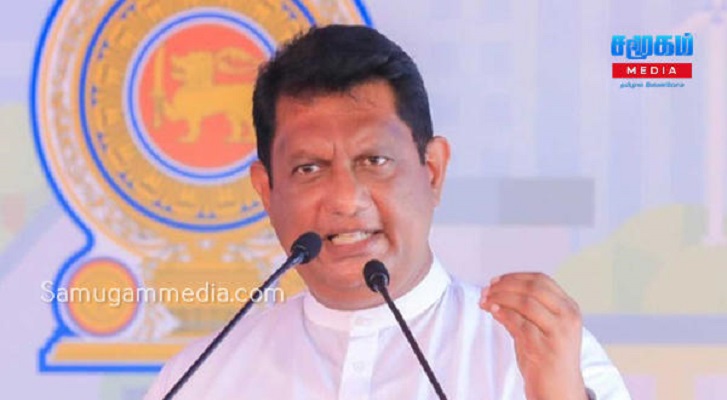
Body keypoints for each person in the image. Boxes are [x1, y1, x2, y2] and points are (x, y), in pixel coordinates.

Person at [145, 25, 630, 399]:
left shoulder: (538, 359)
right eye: (309, 168)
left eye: (374, 161)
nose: (344, 199)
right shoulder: (203, 377)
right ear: (266, 191)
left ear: (432, 171)